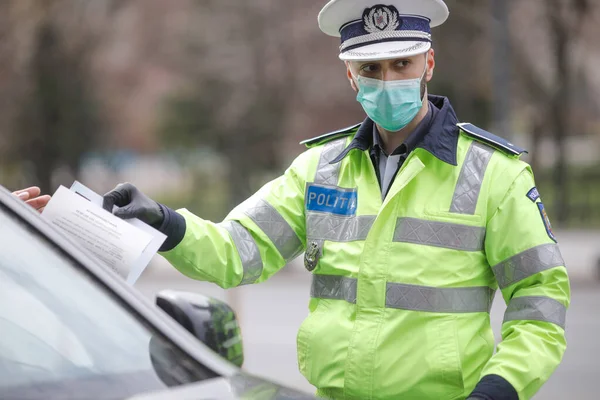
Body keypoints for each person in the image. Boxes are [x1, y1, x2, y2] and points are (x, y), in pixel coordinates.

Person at [103, 0, 570, 398]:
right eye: (370, 68)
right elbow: (238, 250)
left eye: (401, 64)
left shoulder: (495, 174)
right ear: (350, 74)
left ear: (428, 64)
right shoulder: (319, 169)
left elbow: (540, 299)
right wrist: (165, 222)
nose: (387, 80)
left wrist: (501, 387)